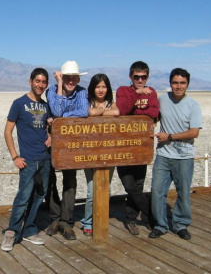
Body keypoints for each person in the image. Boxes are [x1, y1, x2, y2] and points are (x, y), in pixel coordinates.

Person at [1, 68, 52, 252]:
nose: (40, 85)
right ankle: (11, 232)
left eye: (44, 82)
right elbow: (8, 131)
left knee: (39, 196)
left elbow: (46, 129)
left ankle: (29, 229)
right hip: (28, 161)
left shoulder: (46, 106)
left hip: (45, 159)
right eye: (37, 81)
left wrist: (50, 135)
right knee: (23, 197)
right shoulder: (19, 104)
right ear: (30, 81)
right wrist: (15, 156)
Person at [149, 68, 202, 240]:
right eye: (175, 82)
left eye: (182, 83)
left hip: (184, 156)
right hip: (163, 155)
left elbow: (194, 132)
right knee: (157, 191)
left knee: (183, 192)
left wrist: (169, 137)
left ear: (187, 84)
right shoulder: (162, 99)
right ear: (170, 83)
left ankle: (180, 225)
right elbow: (153, 116)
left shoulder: (193, 105)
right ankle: (160, 225)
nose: (178, 86)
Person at [45, 60, 89, 240]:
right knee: (51, 180)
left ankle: (66, 220)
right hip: (52, 143)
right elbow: (56, 108)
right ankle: (54, 218)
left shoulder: (82, 92)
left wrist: (60, 119)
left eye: (74, 78)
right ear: (61, 77)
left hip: (72, 145)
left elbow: (84, 111)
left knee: (70, 181)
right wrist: (60, 86)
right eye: (67, 78)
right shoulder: (52, 91)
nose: (71, 81)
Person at [115, 61, 159, 235]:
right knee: (129, 185)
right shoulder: (123, 91)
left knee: (138, 185)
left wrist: (138, 113)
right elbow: (123, 110)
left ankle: (131, 219)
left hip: (142, 147)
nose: (140, 80)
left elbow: (154, 114)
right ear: (130, 77)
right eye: (137, 77)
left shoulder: (152, 92)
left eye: (143, 77)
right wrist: (138, 95)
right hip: (123, 147)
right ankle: (151, 214)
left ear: (147, 77)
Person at [80, 74, 119, 236]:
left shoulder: (112, 103)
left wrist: (99, 111)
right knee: (91, 191)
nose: (101, 90)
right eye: (98, 87)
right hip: (89, 153)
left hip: (109, 153)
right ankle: (88, 221)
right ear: (93, 88)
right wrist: (104, 111)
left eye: (104, 86)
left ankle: (100, 219)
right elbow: (87, 112)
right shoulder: (87, 102)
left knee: (105, 189)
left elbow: (116, 113)